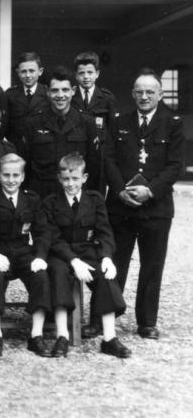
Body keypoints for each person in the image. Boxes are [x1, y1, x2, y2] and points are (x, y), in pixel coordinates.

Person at [102, 69, 184, 340]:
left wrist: (150, 191)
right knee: (115, 264)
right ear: (132, 94)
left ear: (160, 95)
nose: (144, 96)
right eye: (139, 92)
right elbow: (109, 160)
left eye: (150, 92)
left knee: (152, 266)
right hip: (122, 206)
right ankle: (106, 318)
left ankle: (147, 322)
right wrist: (118, 191)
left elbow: (175, 165)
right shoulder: (119, 121)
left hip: (156, 209)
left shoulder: (172, 123)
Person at [42, 153, 130, 358]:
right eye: (65, 179)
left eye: (75, 178)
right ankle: (62, 335)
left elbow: (104, 231)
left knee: (105, 275)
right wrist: (73, 261)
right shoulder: (51, 202)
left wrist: (107, 256)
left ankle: (109, 338)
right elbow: (53, 238)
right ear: (59, 178)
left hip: (87, 251)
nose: (70, 184)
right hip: (61, 254)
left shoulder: (95, 199)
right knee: (59, 273)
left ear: (85, 177)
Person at [0, 154, 52, 358]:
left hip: (23, 252)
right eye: (6, 175)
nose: (11, 180)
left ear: (23, 176)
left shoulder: (32, 198)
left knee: (41, 277)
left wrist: (40, 256)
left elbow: (43, 231)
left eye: (16, 175)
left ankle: (36, 335)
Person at [22, 66, 99, 198]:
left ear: (73, 91)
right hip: (42, 196)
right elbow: (26, 166)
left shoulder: (87, 122)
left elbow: (95, 167)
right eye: (55, 90)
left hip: (75, 195)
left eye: (65, 90)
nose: (60, 96)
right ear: (47, 91)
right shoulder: (33, 123)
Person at [71, 51, 118, 194]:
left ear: (97, 73)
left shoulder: (107, 98)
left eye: (90, 72)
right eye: (82, 73)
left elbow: (112, 131)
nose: (86, 77)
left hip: (99, 157)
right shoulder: (70, 96)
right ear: (76, 75)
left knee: (96, 196)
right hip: (75, 155)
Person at [4, 52, 50, 157]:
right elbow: (5, 126)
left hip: (42, 150)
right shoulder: (10, 95)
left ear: (40, 71)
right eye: (24, 71)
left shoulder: (48, 94)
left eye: (32, 71)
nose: (28, 75)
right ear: (18, 72)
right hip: (16, 150)